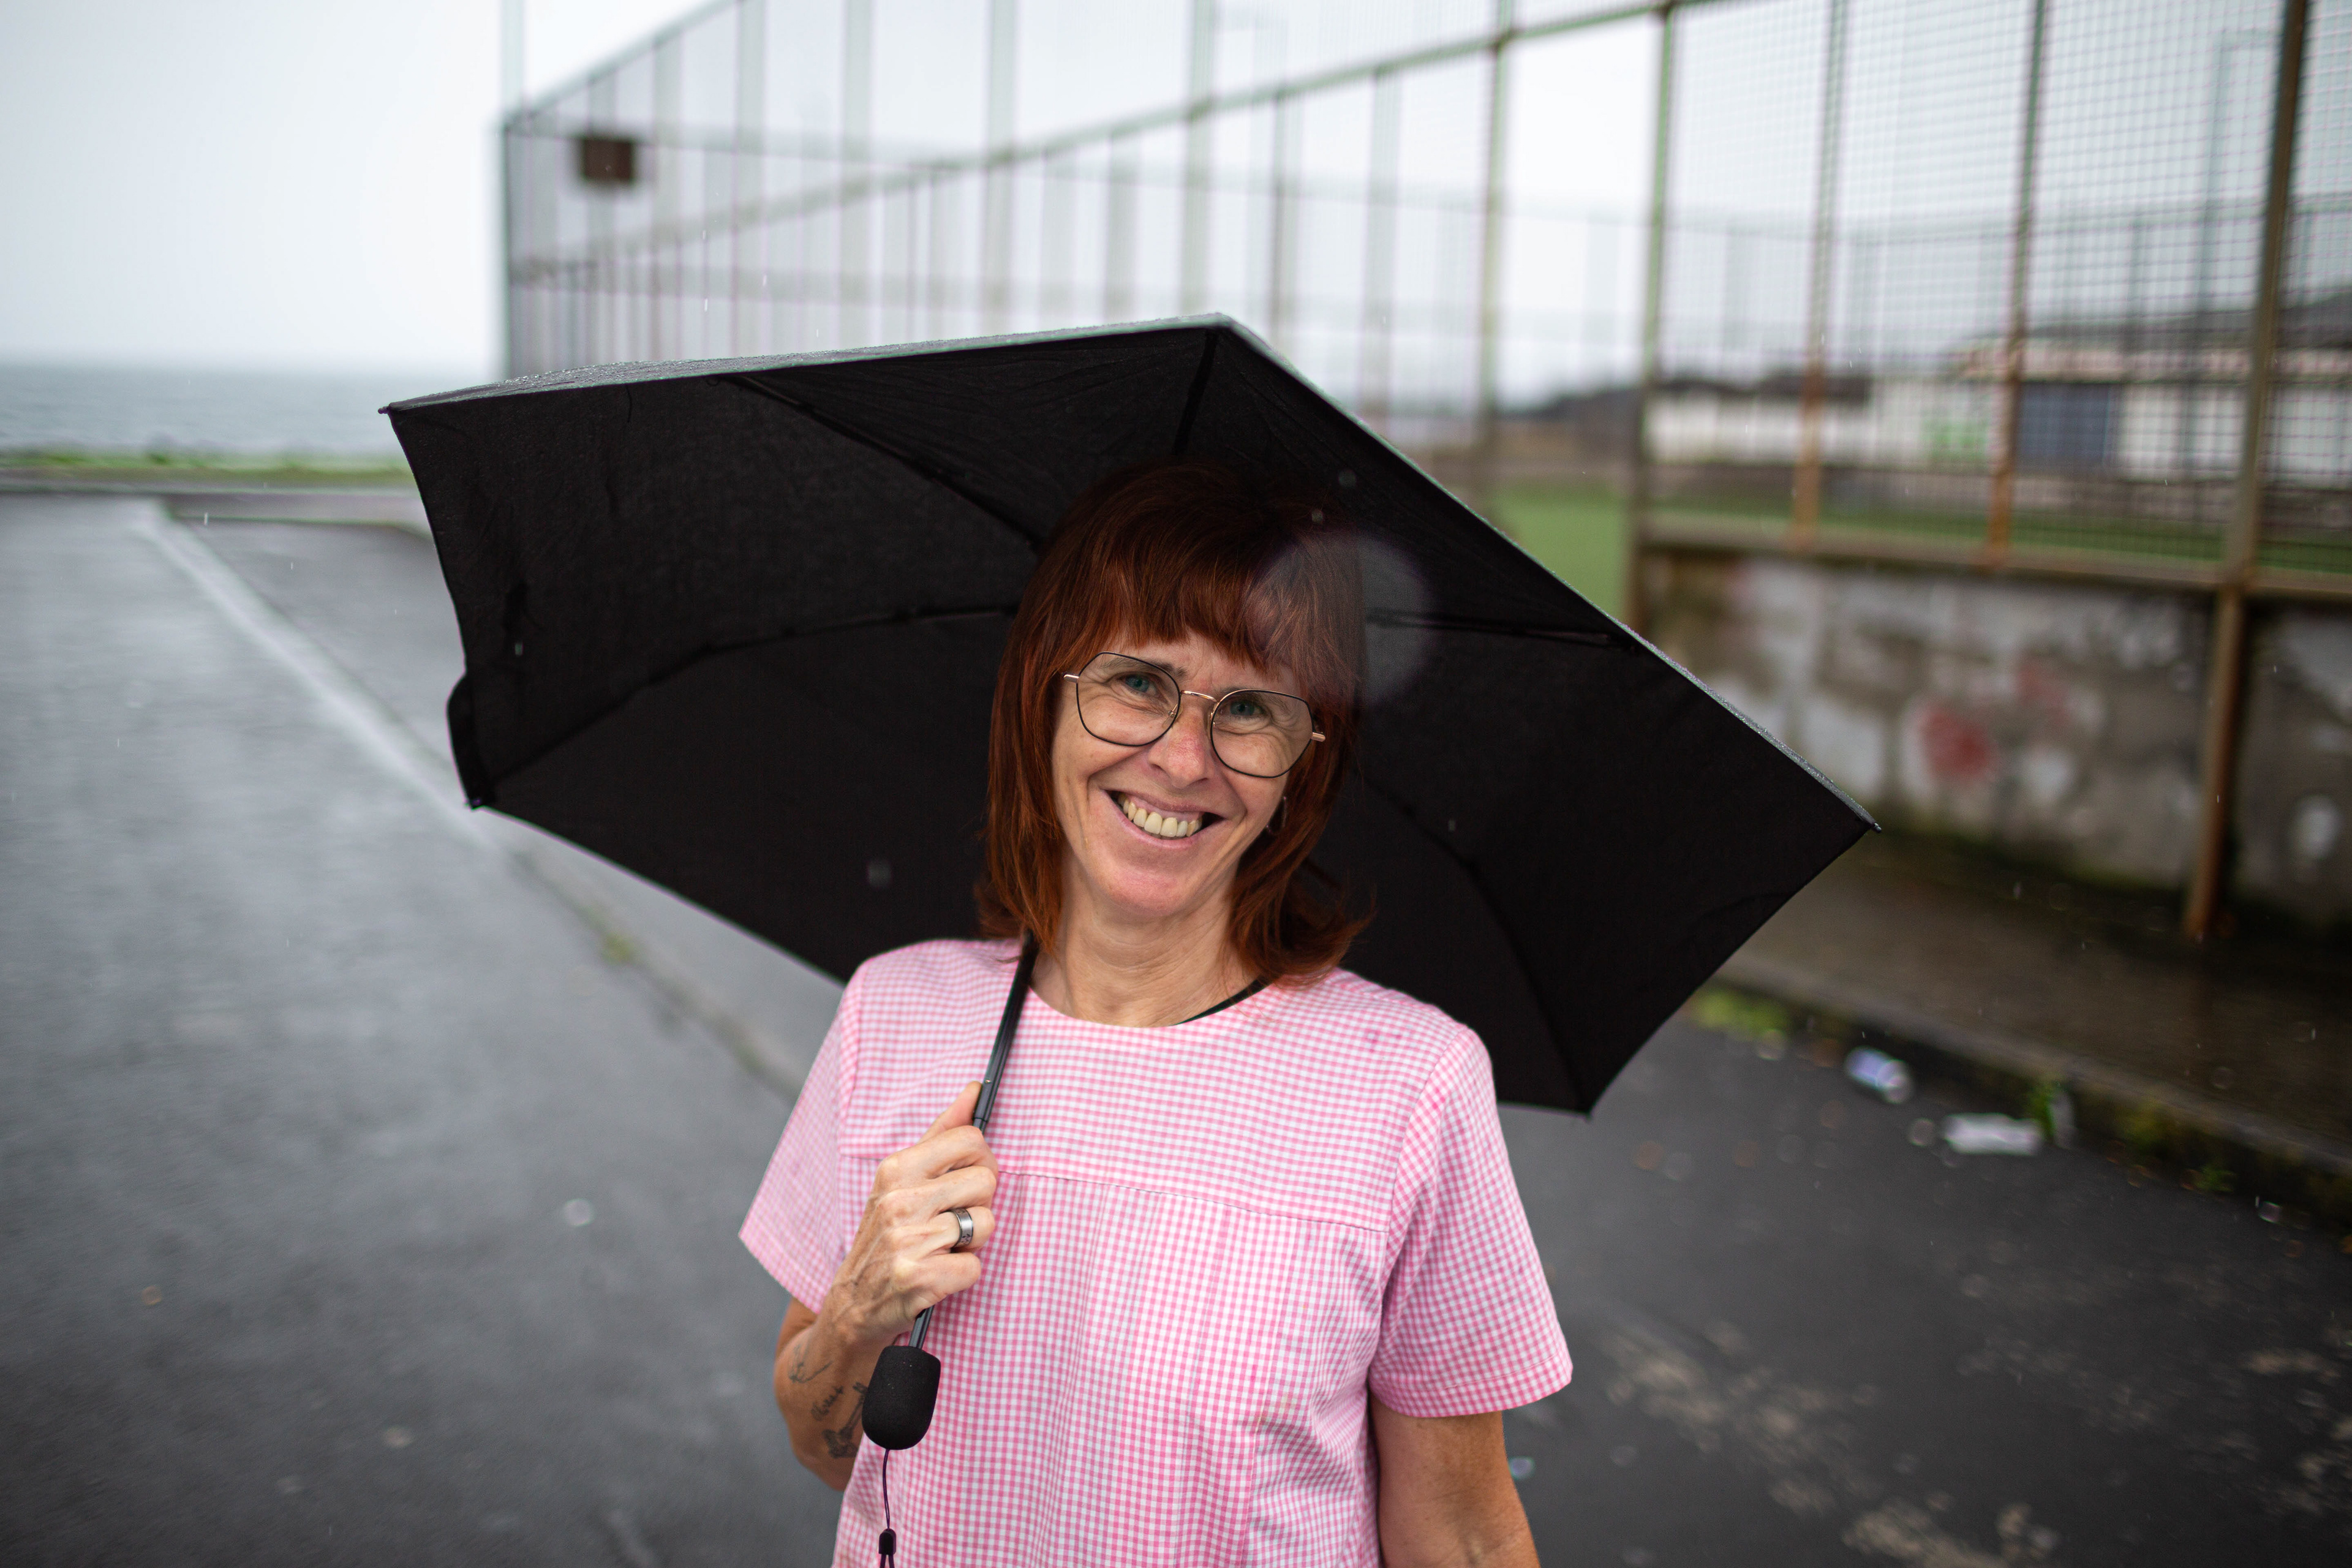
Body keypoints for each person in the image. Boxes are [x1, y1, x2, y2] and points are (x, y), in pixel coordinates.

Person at [741, 461, 1570, 1566]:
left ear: (1299, 766)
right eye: (1137, 682)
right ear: (1046, 691)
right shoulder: (898, 1013)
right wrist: (857, 1311)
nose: (1183, 759)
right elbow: (827, 1443)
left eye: (1251, 710)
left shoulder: (1409, 1086)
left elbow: (1460, 1532)